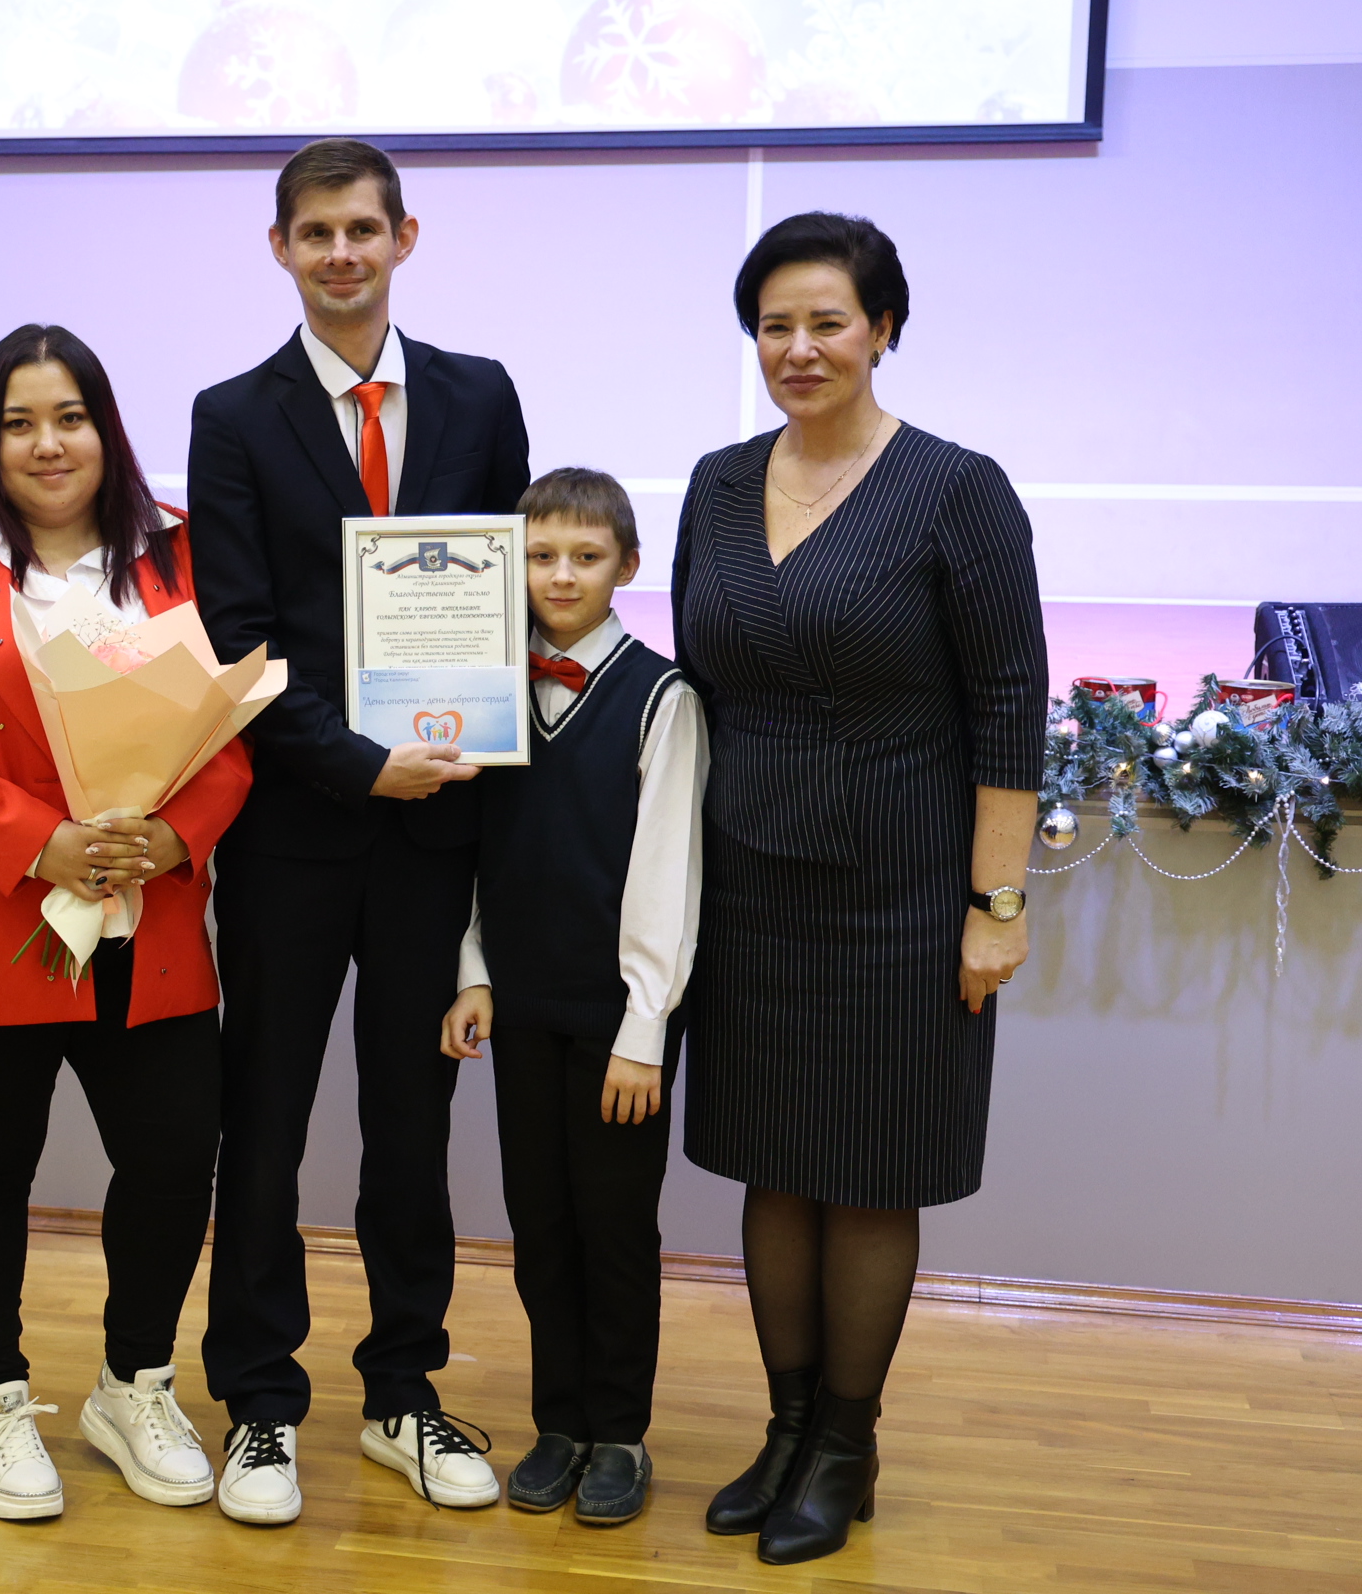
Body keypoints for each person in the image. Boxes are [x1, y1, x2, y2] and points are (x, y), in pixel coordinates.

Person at [670, 212, 1045, 1564]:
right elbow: (699, 689)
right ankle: (784, 1432)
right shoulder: (717, 485)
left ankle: (845, 1445)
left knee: (871, 1170)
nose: (800, 348)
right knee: (775, 1162)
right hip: (748, 881)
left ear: (883, 329)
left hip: (902, 892)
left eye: (827, 321)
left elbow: (1011, 707)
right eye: (774, 325)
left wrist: (996, 908)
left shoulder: (956, 489)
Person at [0, 324, 253, 1523]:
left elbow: (233, 723)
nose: (47, 443)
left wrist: (177, 834)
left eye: (69, 416)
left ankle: (135, 1384)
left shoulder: (178, 546)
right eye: (18, 422)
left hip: (145, 914)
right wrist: (41, 841)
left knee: (174, 1155)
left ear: (105, 427)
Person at [188, 138, 531, 1523]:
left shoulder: (478, 394)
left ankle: (403, 1392)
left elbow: (506, 598)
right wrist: (354, 764)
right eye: (316, 231)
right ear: (280, 247)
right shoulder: (232, 415)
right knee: (262, 1124)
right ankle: (259, 1405)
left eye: (363, 230)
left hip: (435, 837)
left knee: (412, 1130)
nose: (342, 253)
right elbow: (237, 636)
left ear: (405, 239)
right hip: (291, 835)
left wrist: (446, 758)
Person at [440, 468, 707, 1527]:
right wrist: (473, 971)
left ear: (625, 567)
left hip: (617, 1023)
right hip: (521, 1007)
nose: (561, 575)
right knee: (540, 1223)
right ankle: (559, 1422)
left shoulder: (663, 697)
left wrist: (645, 1026)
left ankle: (620, 1430)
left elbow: (667, 871)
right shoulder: (488, 689)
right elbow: (473, 852)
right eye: (541, 555)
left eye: (585, 557)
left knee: (613, 1227)